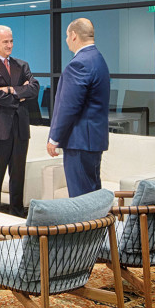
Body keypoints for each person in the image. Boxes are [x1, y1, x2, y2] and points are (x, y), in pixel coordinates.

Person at [0, 25, 40, 217]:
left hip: (19, 127)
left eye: (11, 41)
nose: (10, 45)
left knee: (18, 175)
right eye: (6, 42)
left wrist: (11, 90)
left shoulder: (22, 65)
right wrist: (20, 93)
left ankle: (17, 214)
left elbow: (35, 89)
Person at [47, 18, 111, 197]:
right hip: (92, 140)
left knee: (81, 199)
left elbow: (69, 106)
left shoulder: (79, 63)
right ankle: (97, 226)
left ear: (74, 35)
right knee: (92, 197)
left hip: (80, 141)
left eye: (67, 36)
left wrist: (54, 138)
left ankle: (87, 226)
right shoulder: (98, 58)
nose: (67, 40)